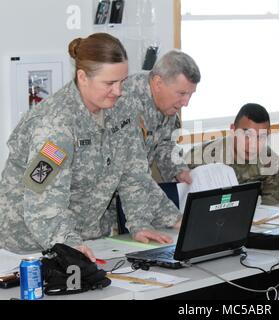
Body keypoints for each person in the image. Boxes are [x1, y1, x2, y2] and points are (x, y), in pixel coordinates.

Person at [0, 33, 181, 261]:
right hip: (29, 247)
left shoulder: (121, 110)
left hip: (88, 239)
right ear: (83, 77)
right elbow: (42, 199)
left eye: (122, 81)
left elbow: (134, 172)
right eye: (109, 83)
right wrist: (69, 244)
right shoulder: (55, 125)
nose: (118, 91)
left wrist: (142, 221)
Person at [118, 50, 201, 184]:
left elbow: (165, 143)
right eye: (181, 93)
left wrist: (180, 171)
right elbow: (130, 167)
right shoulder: (126, 100)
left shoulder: (167, 104)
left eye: (190, 94)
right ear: (158, 83)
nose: (186, 103)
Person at [184, 103, 279, 205]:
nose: (253, 144)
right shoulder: (200, 157)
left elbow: (275, 211)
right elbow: (177, 202)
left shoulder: (270, 162)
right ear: (233, 130)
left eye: (261, 137)